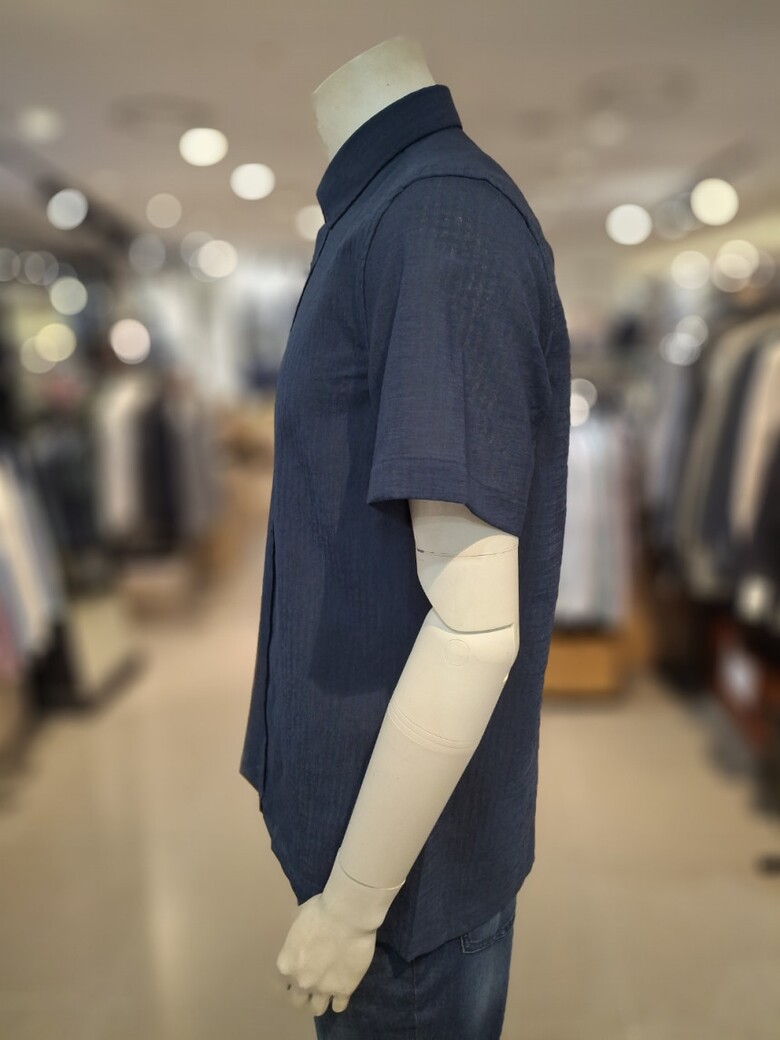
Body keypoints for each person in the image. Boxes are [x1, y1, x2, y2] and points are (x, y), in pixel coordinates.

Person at [239, 34, 571, 1039]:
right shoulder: (388, 214)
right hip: (375, 832)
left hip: (402, 885)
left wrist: (350, 907)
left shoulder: (436, 219)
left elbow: (476, 628)